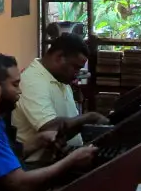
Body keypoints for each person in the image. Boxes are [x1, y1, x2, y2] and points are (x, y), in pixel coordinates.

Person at [0, 53, 96, 191]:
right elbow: (19, 185)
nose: (20, 91)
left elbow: (7, 157)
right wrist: (71, 161)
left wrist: (39, 140)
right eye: (15, 85)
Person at [13, 34, 109, 163]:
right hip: (38, 166)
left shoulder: (60, 78)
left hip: (60, 158)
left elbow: (69, 122)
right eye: (75, 67)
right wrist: (90, 117)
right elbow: (50, 129)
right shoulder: (32, 81)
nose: (77, 73)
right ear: (59, 57)